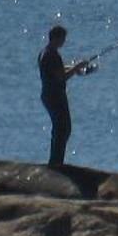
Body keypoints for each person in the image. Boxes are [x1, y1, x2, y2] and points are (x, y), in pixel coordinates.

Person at [38, 24, 95, 167]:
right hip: (55, 96)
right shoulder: (52, 55)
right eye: (63, 39)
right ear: (56, 38)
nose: (64, 42)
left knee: (59, 128)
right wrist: (76, 68)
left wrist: (77, 68)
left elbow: (58, 70)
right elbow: (61, 77)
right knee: (63, 128)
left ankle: (55, 161)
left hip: (48, 95)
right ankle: (56, 163)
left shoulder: (45, 52)